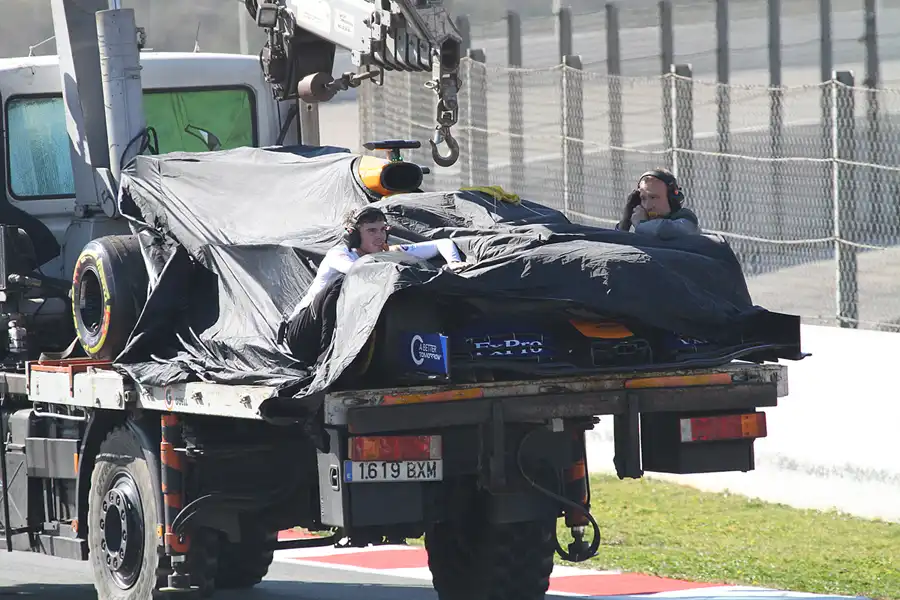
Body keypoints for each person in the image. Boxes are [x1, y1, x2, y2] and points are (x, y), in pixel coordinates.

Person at [279, 205, 466, 364]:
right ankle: (325, 358)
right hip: (303, 336)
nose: (380, 237)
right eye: (371, 231)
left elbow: (443, 243)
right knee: (342, 282)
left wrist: (454, 263)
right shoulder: (339, 255)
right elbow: (359, 271)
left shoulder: (388, 251)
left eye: (383, 229)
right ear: (353, 236)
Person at [616, 169, 701, 239]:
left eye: (653, 197)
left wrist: (641, 224)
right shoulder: (645, 225)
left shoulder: (686, 218)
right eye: (643, 198)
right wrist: (626, 220)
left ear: (672, 199)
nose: (648, 206)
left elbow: (666, 230)